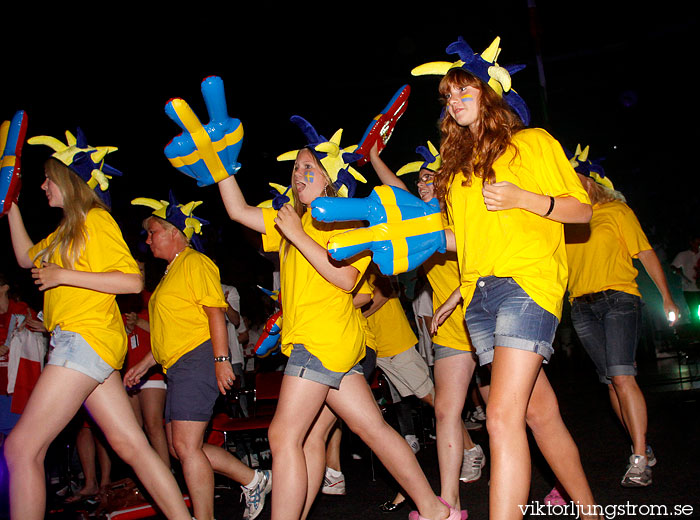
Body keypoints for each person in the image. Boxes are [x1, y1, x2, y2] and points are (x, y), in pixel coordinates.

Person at [215, 114, 460, 520]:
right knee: (357, 432)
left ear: (330, 177)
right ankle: (435, 509)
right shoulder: (293, 219)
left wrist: (296, 234)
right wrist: (220, 165)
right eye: (295, 167)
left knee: (283, 435)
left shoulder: (349, 219)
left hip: (322, 341)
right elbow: (238, 209)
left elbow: (346, 279)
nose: (299, 173)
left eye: (309, 166)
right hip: (334, 346)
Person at [412, 36, 600, 519]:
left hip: (528, 286)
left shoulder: (533, 144)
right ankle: (590, 510)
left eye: (464, 91)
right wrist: (450, 283)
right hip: (480, 297)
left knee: (499, 417)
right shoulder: (456, 173)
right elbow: (469, 243)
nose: (454, 102)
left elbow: (581, 213)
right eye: (448, 96)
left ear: (490, 95)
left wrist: (523, 198)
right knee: (539, 412)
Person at [2, 128, 192, 520]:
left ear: (68, 182)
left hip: (83, 340)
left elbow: (131, 281)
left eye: (48, 179)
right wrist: (10, 205)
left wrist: (62, 276)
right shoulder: (63, 233)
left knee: (21, 449)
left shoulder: (96, 220)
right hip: (91, 347)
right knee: (132, 445)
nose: (42, 186)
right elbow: (24, 257)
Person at [125, 193, 271, 520]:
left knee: (186, 447)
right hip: (176, 365)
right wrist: (144, 364)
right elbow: (172, 331)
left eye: (154, 232)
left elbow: (215, 314)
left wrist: (221, 362)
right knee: (181, 447)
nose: (148, 239)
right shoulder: (170, 273)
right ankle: (253, 479)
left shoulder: (195, 262)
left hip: (198, 360)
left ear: (176, 232)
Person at [368, 140, 484, 515]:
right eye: (419, 179)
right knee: (445, 411)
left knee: (521, 412)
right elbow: (396, 192)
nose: (421, 184)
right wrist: (372, 156)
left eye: (429, 178)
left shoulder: (459, 212)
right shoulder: (422, 217)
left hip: (484, 313)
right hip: (449, 325)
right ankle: (449, 504)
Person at [564, 145, 679, 486]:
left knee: (622, 375)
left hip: (619, 300)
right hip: (581, 308)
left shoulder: (616, 211)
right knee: (612, 381)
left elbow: (644, 252)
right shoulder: (566, 221)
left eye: (575, 178)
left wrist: (668, 298)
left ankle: (640, 458)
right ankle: (641, 444)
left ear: (591, 180)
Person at [120, 260, 171, 468]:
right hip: (127, 371)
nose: (137, 272)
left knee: (153, 425)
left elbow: (167, 334)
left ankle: (167, 473)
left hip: (152, 371)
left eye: (141, 269)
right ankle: (147, 478)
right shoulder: (117, 301)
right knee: (134, 431)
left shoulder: (154, 297)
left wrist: (139, 323)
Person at [670, 234, 700, 323]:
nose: (697, 246)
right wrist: (678, 271)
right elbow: (673, 266)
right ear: (691, 243)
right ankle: (696, 330)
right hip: (689, 288)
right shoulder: (683, 255)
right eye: (696, 243)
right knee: (693, 310)